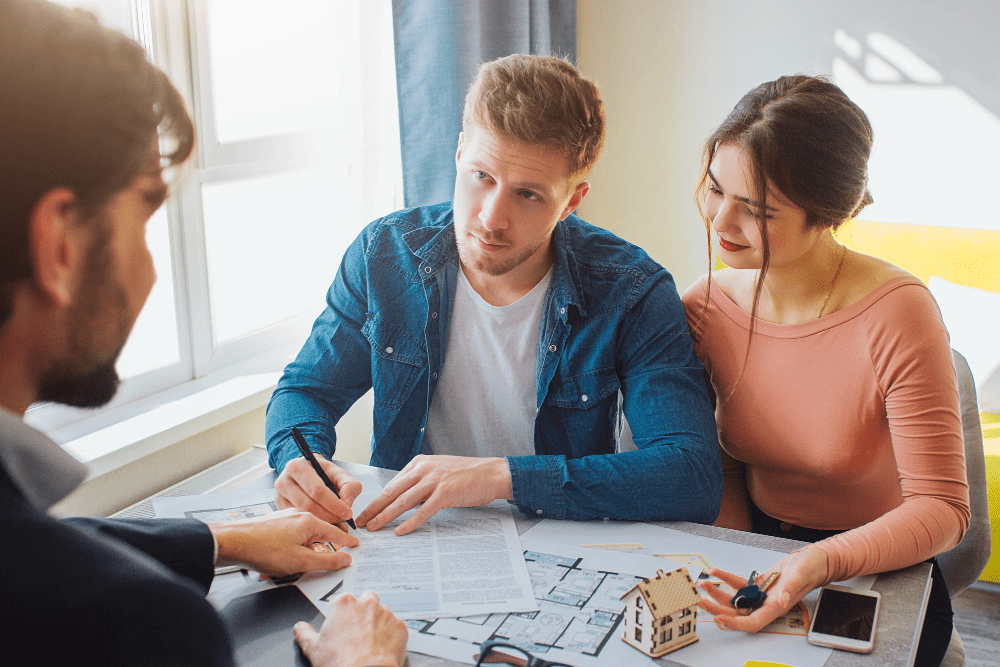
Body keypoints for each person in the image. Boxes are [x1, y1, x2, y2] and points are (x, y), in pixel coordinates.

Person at [0, 1, 406, 665]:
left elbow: (32, 540)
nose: (152, 272)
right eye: (146, 214)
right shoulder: (143, 625)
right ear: (59, 248)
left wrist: (226, 538)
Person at [265, 54, 722, 536]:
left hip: (560, 539)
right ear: (460, 153)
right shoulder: (384, 255)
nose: (490, 218)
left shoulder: (631, 288)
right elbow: (305, 391)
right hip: (410, 535)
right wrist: (301, 459)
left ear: (572, 200)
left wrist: (501, 477)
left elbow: (691, 475)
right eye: (482, 176)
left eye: (528, 195)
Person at [682, 75, 970, 667]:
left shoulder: (898, 311)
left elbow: (943, 511)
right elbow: (728, 464)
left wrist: (816, 563)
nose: (721, 222)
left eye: (757, 210)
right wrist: (737, 552)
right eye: (715, 190)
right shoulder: (706, 309)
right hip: (763, 546)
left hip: (881, 563)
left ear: (825, 215)